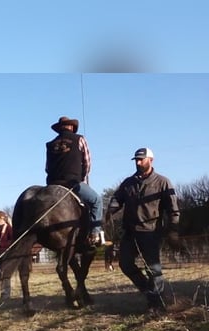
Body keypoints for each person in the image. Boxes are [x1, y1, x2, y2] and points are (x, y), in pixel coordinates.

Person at [104, 147, 181, 315]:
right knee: (125, 264)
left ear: (150, 160)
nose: (138, 163)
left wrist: (173, 230)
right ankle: (149, 291)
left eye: (141, 159)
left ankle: (157, 304)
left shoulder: (163, 182)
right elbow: (117, 198)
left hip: (150, 232)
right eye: (136, 160)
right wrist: (110, 211)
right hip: (130, 232)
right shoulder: (128, 182)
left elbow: (173, 210)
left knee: (153, 269)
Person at [45, 116, 104, 246]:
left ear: (59, 129)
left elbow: (47, 168)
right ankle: (95, 234)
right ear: (72, 127)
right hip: (72, 183)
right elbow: (87, 163)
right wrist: (81, 177)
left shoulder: (50, 144)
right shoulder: (79, 139)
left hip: (52, 184)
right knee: (96, 201)